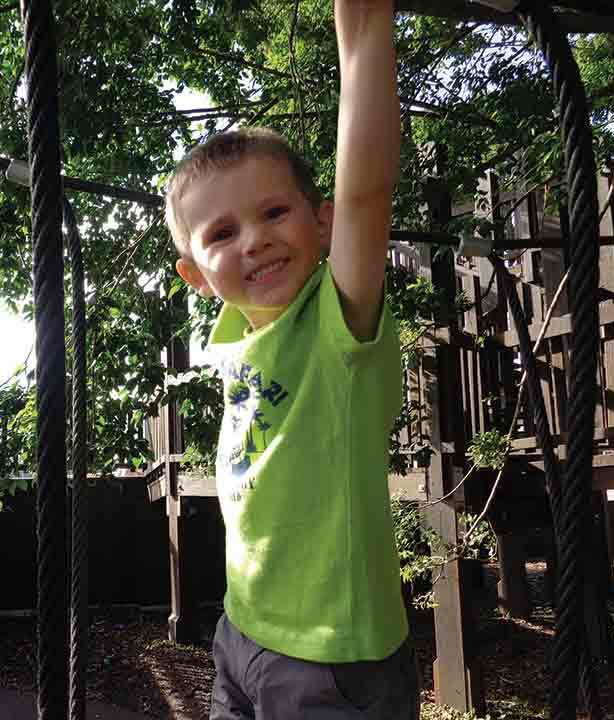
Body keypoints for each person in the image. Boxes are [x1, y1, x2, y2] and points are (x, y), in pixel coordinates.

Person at [166, 3, 418, 717]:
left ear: (322, 221)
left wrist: (363, 31)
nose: (253, 240)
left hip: (331, 658)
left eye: (275, 213)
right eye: (222, 231)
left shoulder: (338, 321)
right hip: (242, 633)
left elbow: (367, 189)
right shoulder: (236, 335)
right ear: (196, 273)